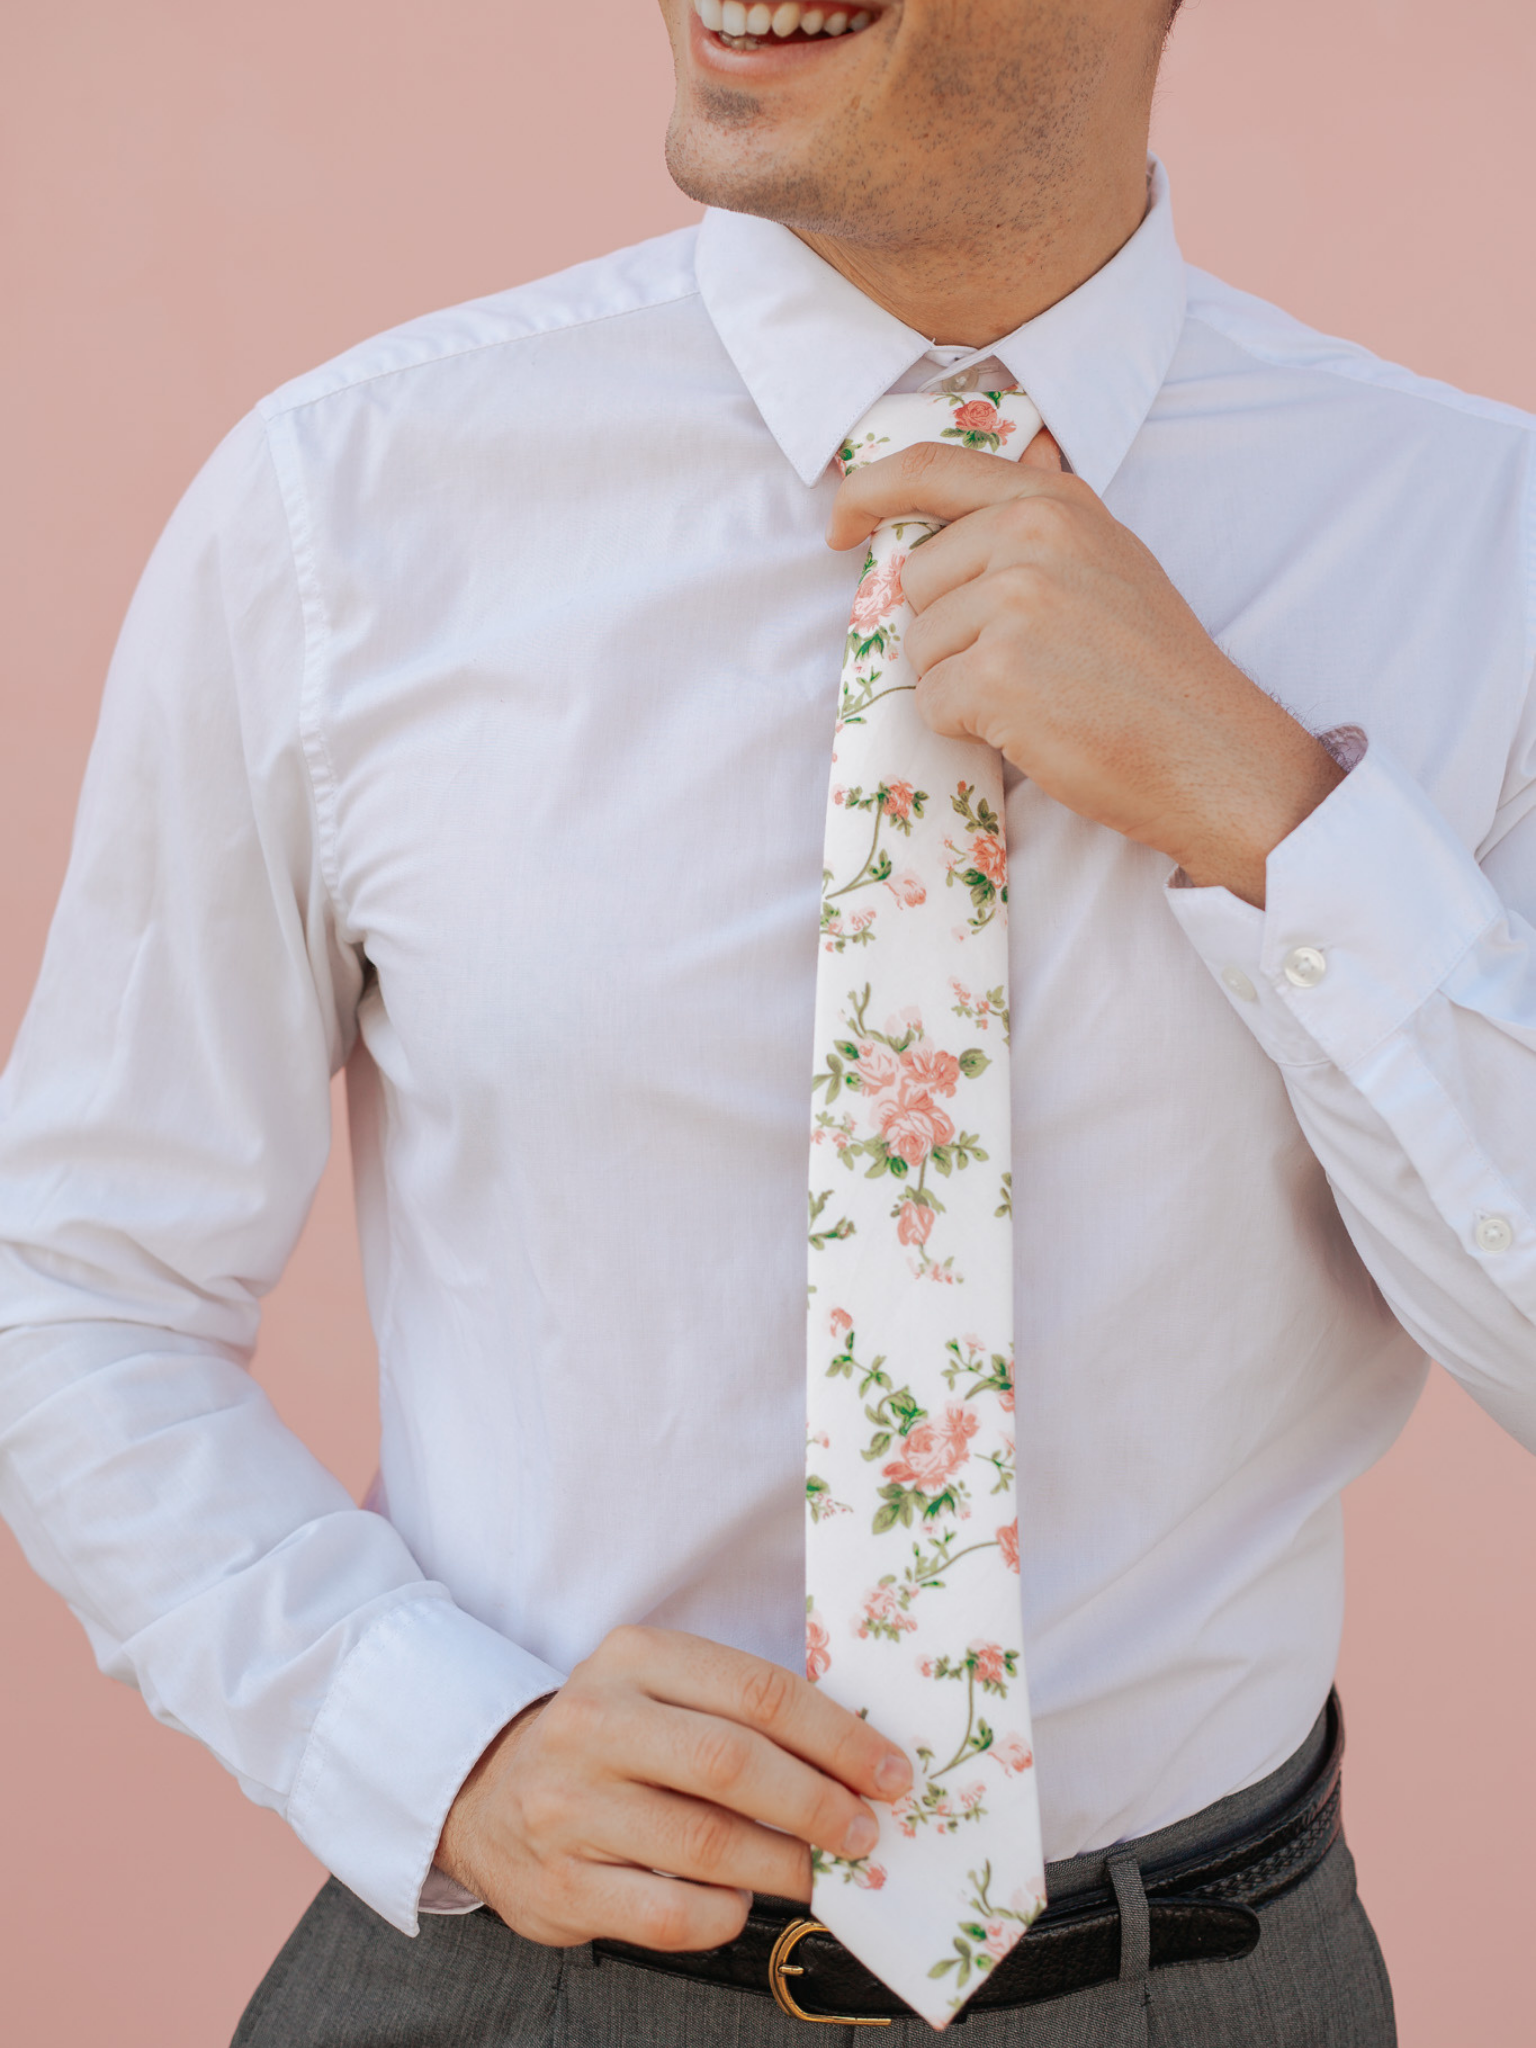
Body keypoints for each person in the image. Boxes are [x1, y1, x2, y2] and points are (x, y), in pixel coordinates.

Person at [2, 0, 1534, 2039]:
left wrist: (1279, 822)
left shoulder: (1477, 552)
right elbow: (70, 1275)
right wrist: (420, 1739)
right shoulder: (346, 513)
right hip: (520, 1985)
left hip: (1214, 1985)